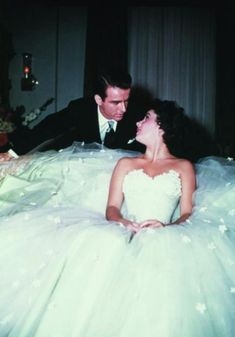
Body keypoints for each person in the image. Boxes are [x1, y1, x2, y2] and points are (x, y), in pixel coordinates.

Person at [0, 100, 235, 337]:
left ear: (161, 126)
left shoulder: (183, 166)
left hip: (164, 232)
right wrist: (122, 222)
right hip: (124, 227)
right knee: (100, 245)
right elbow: (112, 208)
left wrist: (167, 226)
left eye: (146, 118)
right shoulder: (126, 163)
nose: (138, 122)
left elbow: (186, 212)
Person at [7, 68, 145, 155]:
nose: (124, 108)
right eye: (115, 102)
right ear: (98, 99)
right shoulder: (80, 109)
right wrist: (12, 153)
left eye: (126, 100)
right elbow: (46, 129)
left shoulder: (137, 115)